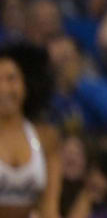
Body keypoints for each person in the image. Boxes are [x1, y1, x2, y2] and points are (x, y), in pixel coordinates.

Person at [0, 43, 61, 218]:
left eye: (11, 78)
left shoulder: (46, 137)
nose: (3, 89)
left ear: (27, 83)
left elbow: (50, 208)